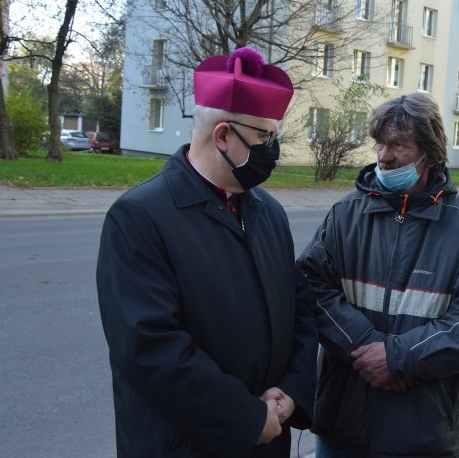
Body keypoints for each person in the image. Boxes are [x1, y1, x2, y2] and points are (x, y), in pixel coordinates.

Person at [96, 47, 318, 457]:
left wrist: (291, 390)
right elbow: (150, 350)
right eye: (264, 137)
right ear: (222, 136)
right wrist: (246, 418)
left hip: (269, 439)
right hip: (184, 444)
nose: (273, 150)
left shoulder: (269, 211)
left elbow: (301, 310)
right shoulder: (139, 218)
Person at [298, 93, 459, 457]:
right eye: (380, 143)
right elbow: (311, 288)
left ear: (430, 152)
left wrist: (398, 357)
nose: (383, 156)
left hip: (422, 430)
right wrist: (371, 349)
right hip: (342, 422)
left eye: (398, 145)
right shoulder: (345, 214)